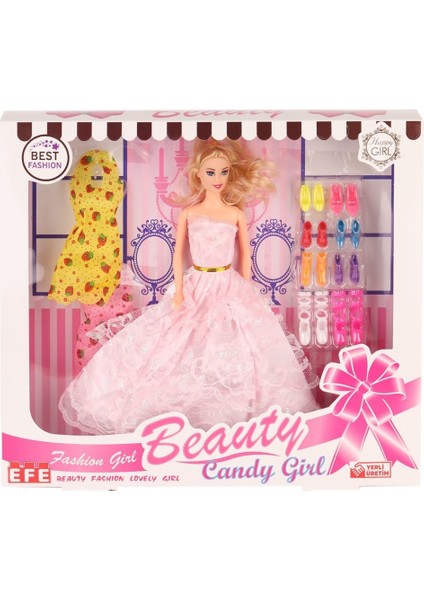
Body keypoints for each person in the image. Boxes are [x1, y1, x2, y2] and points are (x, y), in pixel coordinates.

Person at [59, 138, 319, 435]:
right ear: (198, 174)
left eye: (223, 172)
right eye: (211, 172)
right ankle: (181, 412)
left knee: (239, 345)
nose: (218, 178)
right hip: (197, 281)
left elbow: (246, 255)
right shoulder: (189, 213)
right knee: (179, 342)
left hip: (227, 283)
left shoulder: (235, 213)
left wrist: (246, 289)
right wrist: (180, 290)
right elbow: (177, 254)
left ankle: (237, 417)